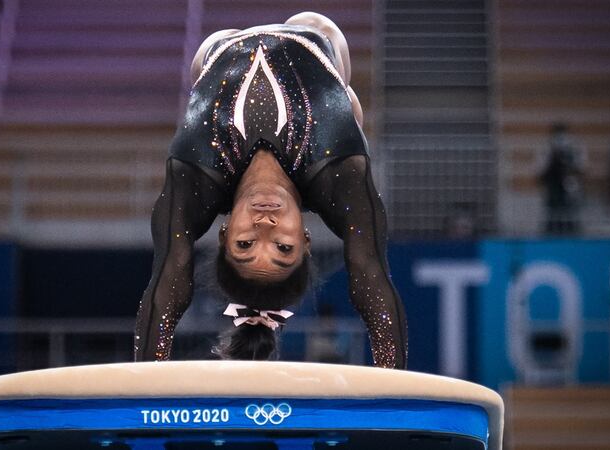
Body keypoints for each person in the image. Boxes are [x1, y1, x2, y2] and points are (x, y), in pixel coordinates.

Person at [134, 12, 407, 369]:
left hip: (220, 48)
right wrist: (397, 394)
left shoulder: (197, 175)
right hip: (312, 40)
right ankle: (344, 99)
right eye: (283, 247)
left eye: (245, 245)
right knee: (326, 49)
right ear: (306, 241)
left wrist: (144, 392)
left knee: (205, 57)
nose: (265, 225)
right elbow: (369, 271)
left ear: (224, 233)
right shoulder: (339, 173)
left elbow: (170, 277)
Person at [540, 122, 585, 235]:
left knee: (571, 213)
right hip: (552, 188)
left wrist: (569, 167)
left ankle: (573, 231)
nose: (560, 138)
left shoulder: (575, 148)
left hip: (570, 185)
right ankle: (551, 233)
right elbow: (540, 174)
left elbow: (582, 170)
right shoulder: (545, 149)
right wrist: (553, 161)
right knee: (553, 215)